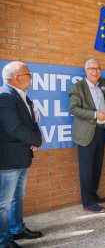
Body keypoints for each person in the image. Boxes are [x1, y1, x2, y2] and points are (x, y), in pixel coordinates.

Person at [69, 58, 105, 213]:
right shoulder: (78, 87)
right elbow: (74, 109)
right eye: (92, 68)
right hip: (86, 133)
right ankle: (87, 203)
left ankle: (93, 195)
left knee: (97, 165)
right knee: (87, 168)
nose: (95, 71)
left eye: (97, 68)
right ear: (86, 70)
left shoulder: (101, 83)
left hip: (100, 131)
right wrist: (95, 114)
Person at [0, 61, 44, 248]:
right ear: (17, 78)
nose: (31, 78)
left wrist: (34, 138)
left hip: (22, 156)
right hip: (8, 158)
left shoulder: (23, 96)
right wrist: (36, 140)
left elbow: (30, 123)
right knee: (4, 202)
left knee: (18, 196)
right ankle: (3, 240)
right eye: (28, 74)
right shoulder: (5, 96)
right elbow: (14, 128)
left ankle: (17, 229)